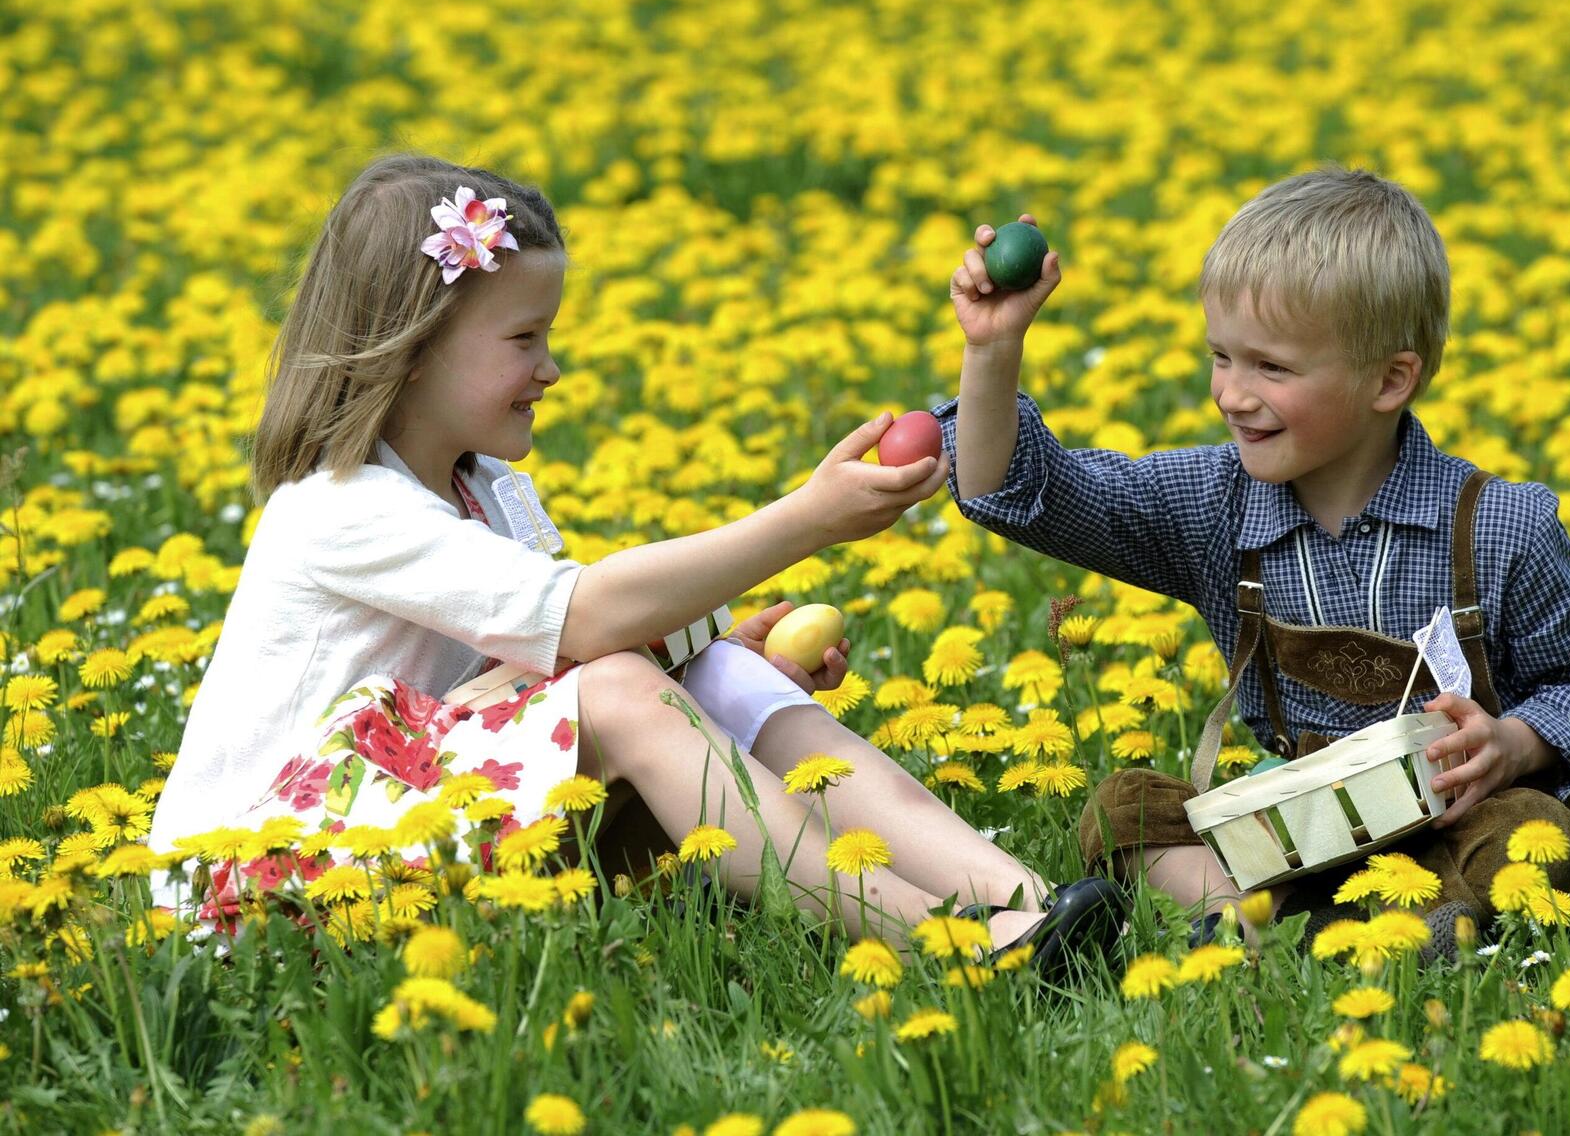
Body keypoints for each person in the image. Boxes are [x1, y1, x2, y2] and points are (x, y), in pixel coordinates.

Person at [145, 153, 1126, 973]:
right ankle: (943, 948)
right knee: (618, 685)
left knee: (714, 670)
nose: (552, 368)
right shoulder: (340, 506)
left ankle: (1030, 906)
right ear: (413, 349)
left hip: (410, 829)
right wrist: (808, 519)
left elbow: (541, 667)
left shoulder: (484, 488)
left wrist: (703, 662)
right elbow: (581, 627)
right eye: (524, 338)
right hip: (259, 889)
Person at [935, 167, 1570, 957]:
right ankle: (1276, 931)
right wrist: (993, 351)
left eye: (1271, 368)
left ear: (1390, 379)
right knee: (1124, 809)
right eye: (1221, 357)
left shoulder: (1499, 526)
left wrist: (1514, 743)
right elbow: (1025, 492)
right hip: (1295, 833)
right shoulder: (1214, 507)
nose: (1233, 394)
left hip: (1460, 823)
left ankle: (1406, 931)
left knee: (1541, 835)